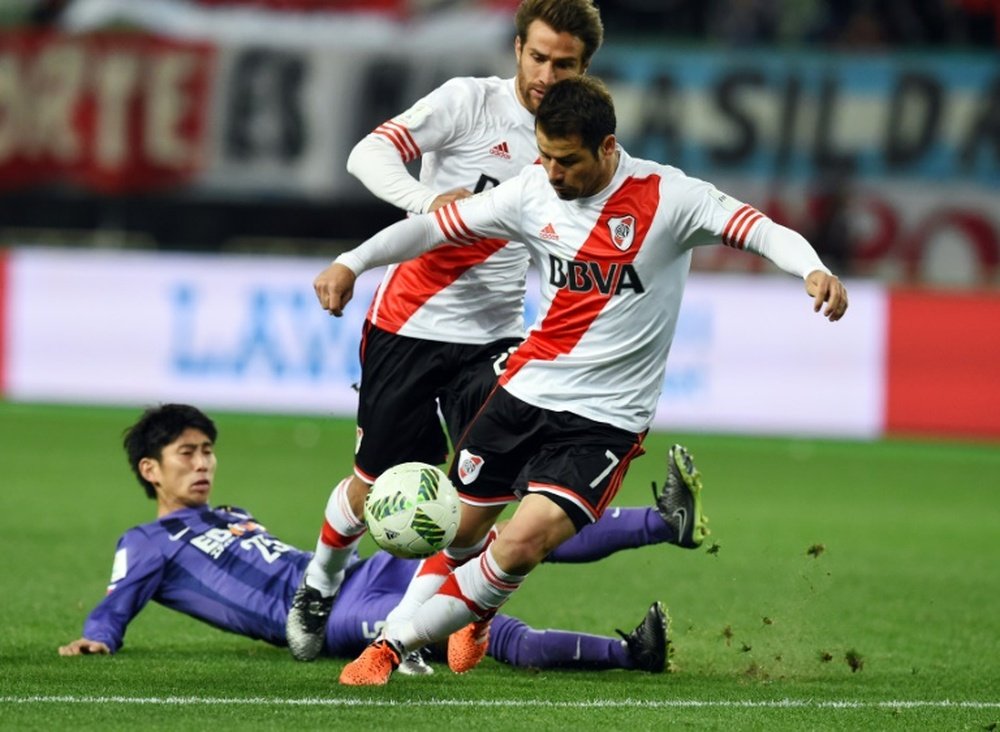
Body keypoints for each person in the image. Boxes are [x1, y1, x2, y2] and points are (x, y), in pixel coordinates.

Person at [313, 75, 849, 686]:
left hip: (605, 419)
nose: (551, 171)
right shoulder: (532, 190)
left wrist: (812, 269)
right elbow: (438, 227)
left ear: (608, 148)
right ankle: (476, 612)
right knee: (457, 530)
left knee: (521, 542)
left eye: (566, 160)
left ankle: (389, 647)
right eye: (542, 155)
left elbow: (759, 229)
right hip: (523, 391)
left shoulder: (670, 198)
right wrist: (352, 261)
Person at [286, 0, 628, 662]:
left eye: (565, 64)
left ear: (585, 68)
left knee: (485, 488)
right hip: (409, 326)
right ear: (516, 49)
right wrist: (424, 202)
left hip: (497, 337)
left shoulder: (584, 146)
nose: (547, 76)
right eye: (537, 58)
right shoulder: (470, 103)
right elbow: (368, 153)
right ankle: (320, 582)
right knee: (375, 485)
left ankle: (424, 626)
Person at [58, 403, 699, 674]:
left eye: (207, 452)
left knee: (506, 541)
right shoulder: (146, 540)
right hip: (335, 619)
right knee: (486, 629)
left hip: (360, 578)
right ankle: (630, 655)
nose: (202, 464)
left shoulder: (230, 513)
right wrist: (100, 636)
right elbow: (121, 596)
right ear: (151, 470)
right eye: (186, 454)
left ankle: (664, 523)